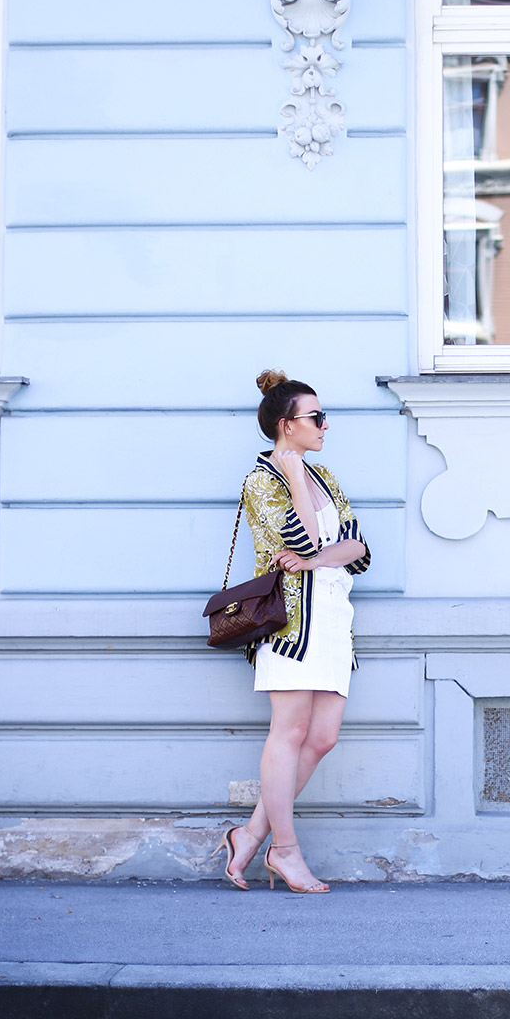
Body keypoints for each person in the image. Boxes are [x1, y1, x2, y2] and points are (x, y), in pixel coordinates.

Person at [211, 370, 369, 892]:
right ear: (287, 425)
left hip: (332, 619)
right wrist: (293, 472)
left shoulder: (327, 478)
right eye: (315, 418)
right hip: (289, 624)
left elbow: (358, 550)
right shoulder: (262, 480)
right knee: (291, 731)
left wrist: (314, 559)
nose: (325, 426)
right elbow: (295, 538)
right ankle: (285, 849)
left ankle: (250, 834)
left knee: (322, 737)